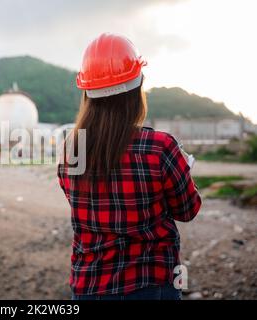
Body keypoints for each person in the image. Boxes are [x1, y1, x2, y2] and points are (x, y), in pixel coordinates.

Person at [57, 33, 202, 300]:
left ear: (87, 95)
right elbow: (187, 210)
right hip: (152, 284)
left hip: (90, 286)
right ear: (137, 90)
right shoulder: (160, 147)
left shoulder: (70, 150)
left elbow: (83, 207)